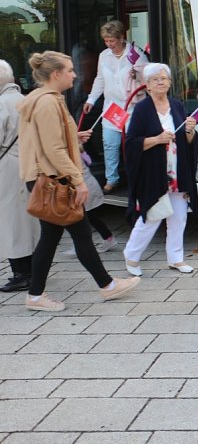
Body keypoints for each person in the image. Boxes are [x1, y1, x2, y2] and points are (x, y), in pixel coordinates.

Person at [16, 51, 140, 311]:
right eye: (70, 70)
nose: (75, 74)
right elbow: (53, 149)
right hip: (55, 180)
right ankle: (105, 285)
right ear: (56, 74)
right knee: (79, 232)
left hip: (47, 179)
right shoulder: (48, 103)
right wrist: (78, 181)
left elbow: (52, 142)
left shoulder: (42, 99)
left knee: (53, 238)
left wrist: (74, 136)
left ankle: (38, 295)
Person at [122, 63, 198, 276]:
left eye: (165, 78)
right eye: (156, 79)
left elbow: (188, 139)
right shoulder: (142, 109)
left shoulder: (177, 105)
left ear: (170, 83)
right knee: (153, 215)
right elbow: (131, 143)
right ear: (147, 85)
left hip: (177, 170)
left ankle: (176, 258)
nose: (161, 82)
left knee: (179, 216)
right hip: (153, 171)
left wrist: (191, 131)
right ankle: (132, 255)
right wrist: (157, 139)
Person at [83, 20, 149, 192]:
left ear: (121, 38)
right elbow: (100, 79)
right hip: (113, 107)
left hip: (133, 107)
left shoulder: (135, 53)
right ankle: (112, 179)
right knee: (110, 143)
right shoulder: (104, 55)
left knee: (133, 145)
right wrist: (91, 100)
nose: (109, 44)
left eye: (112, 40)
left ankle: (137, 176)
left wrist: (138, 74)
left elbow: (149, 76)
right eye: (106, 40)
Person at [0, 59, 39, 292]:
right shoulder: (29, 101)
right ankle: (35, 268)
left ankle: (21, 273)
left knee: (11, 222)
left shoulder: (2, 104)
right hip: (31, 166)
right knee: (30, 220)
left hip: (8, 169)